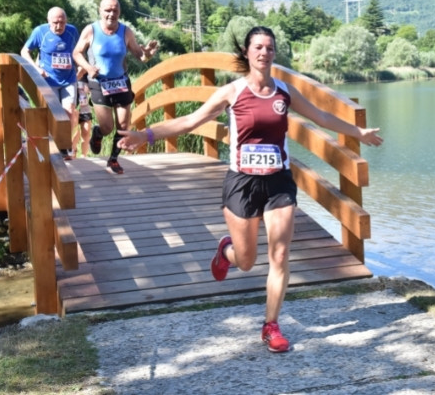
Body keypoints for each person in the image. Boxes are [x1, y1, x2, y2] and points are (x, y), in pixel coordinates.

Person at [116, 26, 383, 353]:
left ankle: (271, 325)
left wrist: (358, 132)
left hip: (278, 182)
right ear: (246, 52)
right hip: (242, 184)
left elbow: (322, 117)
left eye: (269, 48)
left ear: (274, 53)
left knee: (280, 254)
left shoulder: (284, 92)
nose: (264, 53)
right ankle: (226, 252)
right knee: (245, 260)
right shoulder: (233, 92)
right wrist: (144, 136)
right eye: (258, 47)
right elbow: (189, 121)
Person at [72, 0, 158, 174]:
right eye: (107, 10)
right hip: (99, 83)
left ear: (119, 12)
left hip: (121, 83)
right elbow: (77, 53)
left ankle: (113, 159)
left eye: (115, 11)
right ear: (100, 11)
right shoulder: (91, 30)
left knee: (124, 126)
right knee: (107, 127)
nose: (111, 14)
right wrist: (88, 68)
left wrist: (148, 55)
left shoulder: (126, 32)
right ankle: (98, 133)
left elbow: (140, 56)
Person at [21, 6, 79, 160]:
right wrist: (36, 69)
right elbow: (24, 51)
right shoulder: (40, 32)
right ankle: (51, 146)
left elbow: (79, 51)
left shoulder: (72, 31)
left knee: (69, 111)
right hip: (49, 80)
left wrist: (82, 69)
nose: (59, 26)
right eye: (55, 23)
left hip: (69, 79)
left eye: (62, 22)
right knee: (53, 113)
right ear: (48, 21)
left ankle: (64, 146)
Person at [72, 69, 93, 158]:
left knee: (86, 131)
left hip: (85, 106)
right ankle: (73, 154)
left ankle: (84, 156)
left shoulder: (87, 67)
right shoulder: (70, 68)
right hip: (73, 107)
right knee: (74, 133)